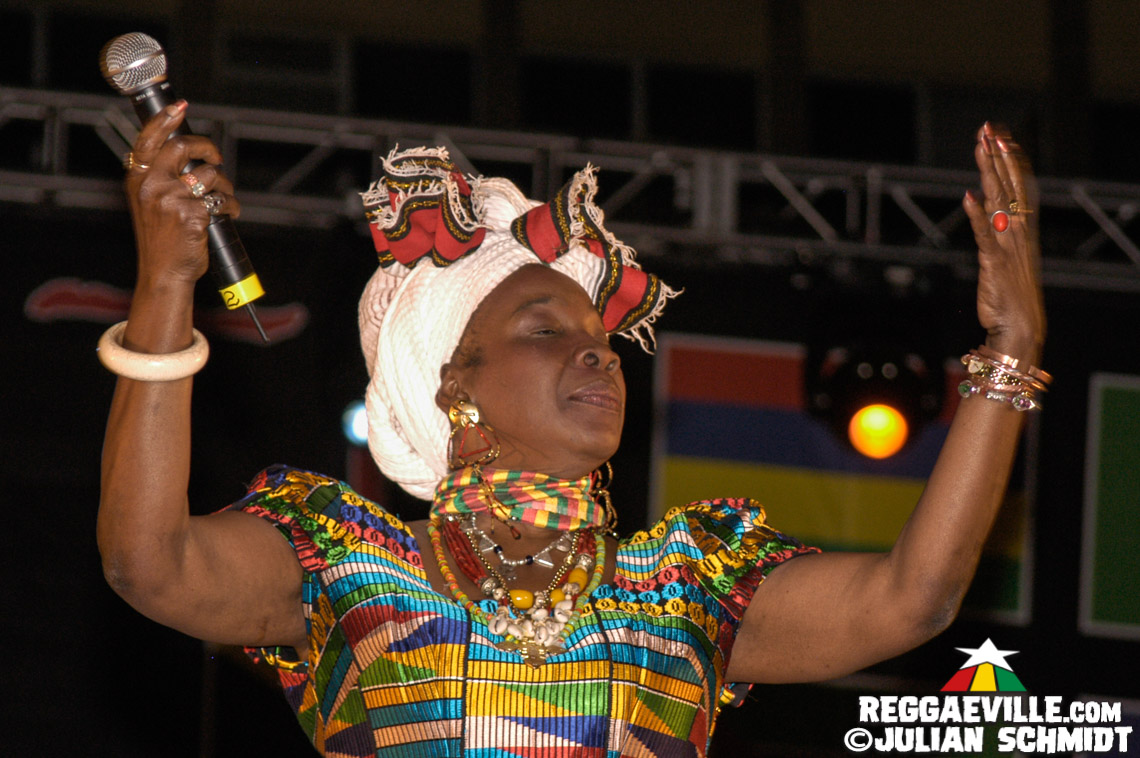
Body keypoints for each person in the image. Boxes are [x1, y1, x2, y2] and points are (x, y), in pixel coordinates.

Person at [98, 99, 1046, 757]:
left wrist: (1010, 348)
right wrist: (167, 289)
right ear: (451, 385)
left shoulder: (681, 592)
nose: (599, 354)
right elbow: (151, 562)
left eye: (601, 336)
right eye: (546, 331)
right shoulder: (348, 572)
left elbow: (912, 599)